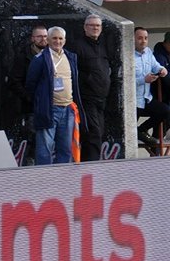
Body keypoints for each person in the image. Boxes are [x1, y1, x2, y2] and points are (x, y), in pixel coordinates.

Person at [25, 26, 86, 165]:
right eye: (54, 38)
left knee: (65, 149)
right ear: (48, 40)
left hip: (68, 109)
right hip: (49, 109)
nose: (57, 41)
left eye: (60, 38)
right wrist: (41, 103)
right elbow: (30, 85)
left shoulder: (71, 57)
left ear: (65, 40)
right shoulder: (40, 59)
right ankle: (45, 177)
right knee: (44, 149)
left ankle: (63, 177)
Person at [66, 14, 116, 161]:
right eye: (92, 25)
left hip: (102, 98)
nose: (95, 28)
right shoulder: (77, 46)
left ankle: (87, 164)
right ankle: (93, 166)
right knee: (93, 133)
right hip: (86, 98)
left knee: (99, 132)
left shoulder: (103, 46)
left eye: (98, 25)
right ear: (85, 27)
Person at [6, 25, 48, 165]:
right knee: (33, 138)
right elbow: (14, 81)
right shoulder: (23, 57)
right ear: (32, 38)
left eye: (45, 36)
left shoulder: (52, 55)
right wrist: (28, 97)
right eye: (39, 36)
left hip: (50, 105)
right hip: (31, 107)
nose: (43, 39)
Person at [134, 27, 169, 147]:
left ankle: (141, 130)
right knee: (127, 134)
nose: (143, 41)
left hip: (146, 98)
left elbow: (155, 65)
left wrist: (162, 69)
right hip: (133, 101)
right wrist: (143, 80)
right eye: (139, 38)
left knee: (165, 110)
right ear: (132, 39)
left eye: (146, 38)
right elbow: (124, 80)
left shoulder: (148, 52)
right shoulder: (127, 55)